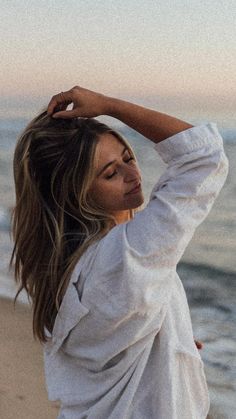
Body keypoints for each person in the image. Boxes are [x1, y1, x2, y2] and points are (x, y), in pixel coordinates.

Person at [10, 85, 229, 418]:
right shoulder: (125, 257)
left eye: (128, 158)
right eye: (110, 173)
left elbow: (108, 351)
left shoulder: (70, 268)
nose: (132, 175)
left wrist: (172, 340)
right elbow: (204, 157)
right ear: (76, 193)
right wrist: (109, 105)